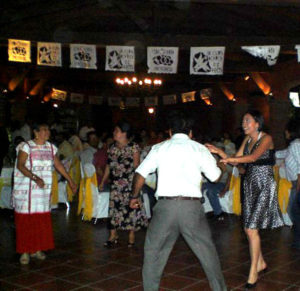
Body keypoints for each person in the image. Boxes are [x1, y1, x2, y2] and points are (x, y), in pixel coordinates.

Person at [130, 110, 227, 291]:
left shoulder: (159, 148)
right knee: (207, 252)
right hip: (191, 208)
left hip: (165, 207)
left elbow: (140, 173)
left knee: (153, 252)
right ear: (190, 133)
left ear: (169, 132)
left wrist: (134, 197)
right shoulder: (199, 148)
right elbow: (215, 177)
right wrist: (222, 164)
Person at [206, 109, 284, 289]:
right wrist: (219, 152)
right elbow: (235, 161)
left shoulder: (266, 139)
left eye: (247, 121)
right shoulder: (247, 140)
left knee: (250, 229)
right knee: (250, 227)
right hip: (249, 184)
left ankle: (253, 273)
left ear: (257, 123)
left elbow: (253, 158)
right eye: (243, 121)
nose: (244, 124)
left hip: (264, 185)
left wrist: (231, 158)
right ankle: (261, 262)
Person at [12, 122, 77, 265]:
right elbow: (20, 165)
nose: (47, 132)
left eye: (48, 130)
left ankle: (36, 249)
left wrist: (70, 180)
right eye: (44, 130)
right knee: (26, 221)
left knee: (39, 220)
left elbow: (58, 165)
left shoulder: (51, 148)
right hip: (26, 190)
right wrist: (35, 177)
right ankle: (24, 251)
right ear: (35, 132)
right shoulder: (26, 146)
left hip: (42, 191)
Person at [100, 121, 148, 247]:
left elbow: (137, 166)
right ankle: (112, 235)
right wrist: (103, 181)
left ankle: (131, 235)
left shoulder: (134, 147)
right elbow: (108, 166)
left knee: (131, 209)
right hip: (116, 183)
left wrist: (137, 183)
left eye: (116, 131)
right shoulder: (112, 147)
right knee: (114, 208)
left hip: (130, 183)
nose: (114, 133)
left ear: (124, 133)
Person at [275, 119, 300, 250]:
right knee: (294, 211)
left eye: (287, 130)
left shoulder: (296, 144)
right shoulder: (293, 146)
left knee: (293, 210)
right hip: (296, 183)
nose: (285, 132)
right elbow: (282, 153)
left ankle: (298, 242)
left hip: (298, 183)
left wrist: (298, 187)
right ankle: (297, 241)